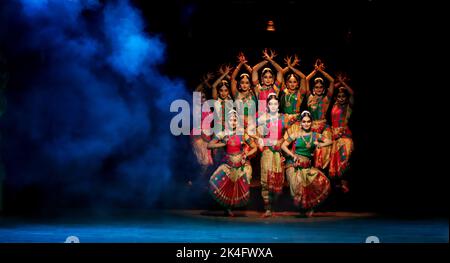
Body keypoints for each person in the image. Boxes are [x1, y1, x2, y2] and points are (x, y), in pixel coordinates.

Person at [281, 111, 332, 217]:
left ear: (311, 123)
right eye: (304, 121)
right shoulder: (296, 134)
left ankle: (310, 208)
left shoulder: (315, 135)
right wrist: (293, 155)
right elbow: (283, 145)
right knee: (298, 187)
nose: (306, 124)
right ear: (301, 123)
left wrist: (319, 144)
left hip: (307, 166)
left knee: (316, 183)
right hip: (296, 166)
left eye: (308, 121)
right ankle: (303, 209)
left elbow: (329, 141)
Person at [207, 110, 257, 216]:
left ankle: (230, 208)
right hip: (228, 164)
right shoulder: (222, 134)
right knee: (219, 182)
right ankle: (227, 208)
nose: (233, 122)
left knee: (237, 186)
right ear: (226, 122)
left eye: (235, 120)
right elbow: (209, 145)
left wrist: (246, 155)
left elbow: (254, 147)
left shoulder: (242, 134)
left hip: (241, 164)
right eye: (231, 120)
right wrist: (222, 144)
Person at [257, 93, 293, 217]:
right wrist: (261, 142)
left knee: (277, 180)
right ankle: (267, 208)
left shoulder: (283, 118)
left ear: (278, 105)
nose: (273, 106)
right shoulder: (262, 119)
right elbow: (257, 135)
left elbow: (288, 135)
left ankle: (273, 206)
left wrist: (281, 141)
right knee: (265, 180)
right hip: (267, 152)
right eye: (270, 104)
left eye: (275, 104)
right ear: (267, 105)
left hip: (277, 153)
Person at [305, 59, 334, 170]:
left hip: (323, 128)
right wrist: (315, 71)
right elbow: (306, 79)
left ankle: (322, 173)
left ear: (323, 89)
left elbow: (331, 81)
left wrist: (321, 72)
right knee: (311, 151)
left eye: (320, 87)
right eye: (316, 87)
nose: (318, 89)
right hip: (311, 127)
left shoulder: (326, 99)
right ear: (313, 88)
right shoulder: (310, 98)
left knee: (323, 151)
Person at [329, 73, 354, 192]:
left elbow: (353, 94)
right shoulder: (334, 104)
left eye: (343, 96)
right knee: (335, 160)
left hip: (344, 136)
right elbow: (331, 89)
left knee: (344, 159)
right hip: (334, 136)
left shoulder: (348, 106)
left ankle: (345, 183)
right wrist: (338, 82)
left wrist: (343, 83)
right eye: (339, 96)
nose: (341, 98)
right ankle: (339, 183)